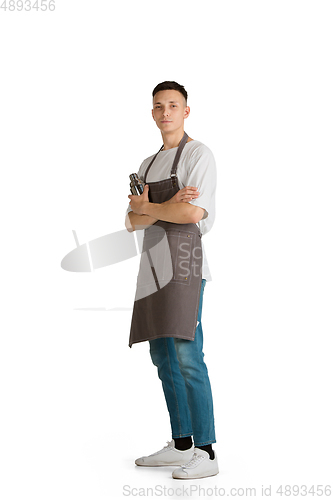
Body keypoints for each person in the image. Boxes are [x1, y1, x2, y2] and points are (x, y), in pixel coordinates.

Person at [125, 81, 218, 479]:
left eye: (173, 106)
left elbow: (194, 215)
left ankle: (207, 451)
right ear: (152, 113)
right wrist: (168, 205)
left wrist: (152, 208)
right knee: (161, 356)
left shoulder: (198, 153)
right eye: (159, 106)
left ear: (186, 111)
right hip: (152, 264)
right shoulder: (147, 164)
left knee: (186, 355)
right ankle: (181, 445)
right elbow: (130, 221)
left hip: (182, 261)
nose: (166, 112)